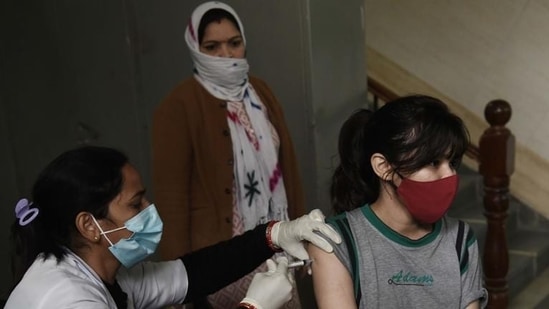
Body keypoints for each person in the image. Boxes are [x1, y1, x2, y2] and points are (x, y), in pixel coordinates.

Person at [5, 146, 341, 309]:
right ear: (90, 226)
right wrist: (252, 307)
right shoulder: (70, 301)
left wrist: (275, 234)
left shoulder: (103, 273)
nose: (150, 210)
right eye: (136, 204)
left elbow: (193, 274)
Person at [151, 1, 305, 307]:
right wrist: (178, 285)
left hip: (274, 244)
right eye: (212, 46)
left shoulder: (261, 92)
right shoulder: (179, 106)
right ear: (196, 48)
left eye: (234, 43)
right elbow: (172, 200)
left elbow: (288, 171)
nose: (226, 55)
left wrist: (299, 231)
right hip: (220, 258)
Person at [308, 95, 488, 308]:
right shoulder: (334, 242)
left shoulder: (460, 240)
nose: (449, 175)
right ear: (383, 167)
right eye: (433, 162)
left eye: (453, 162)